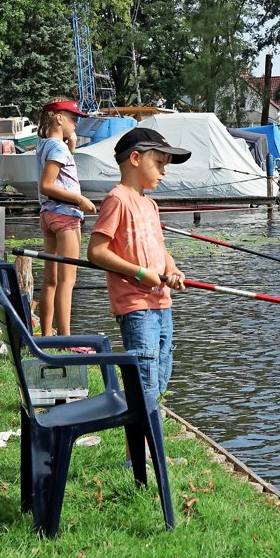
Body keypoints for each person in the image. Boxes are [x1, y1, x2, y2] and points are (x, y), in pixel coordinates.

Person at [87, 127, 191, 406]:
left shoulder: (150, 205)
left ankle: (150, 444)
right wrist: (140, 272)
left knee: (162, 377)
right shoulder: (117, 199)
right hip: (136, 306)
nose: (163, 171)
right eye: (159, 163)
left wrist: (173, 269)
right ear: (135, 158)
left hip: (161, 303)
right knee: (145, 384)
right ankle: (140, 448)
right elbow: (96, 252)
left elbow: (160, 248)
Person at [36, 98, 97, 336]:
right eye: (72, 119)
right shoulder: (58, 148)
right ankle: (65, 337)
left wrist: (70, 142)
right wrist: (79, 199)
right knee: (67, 280)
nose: (76, 124)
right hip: (66, 215)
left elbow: (59, 172)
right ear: (59, 118)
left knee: (50, 279)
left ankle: (47, 335)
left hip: (48, 215)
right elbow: (47, 184)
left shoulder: (45, 145)